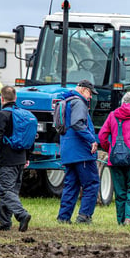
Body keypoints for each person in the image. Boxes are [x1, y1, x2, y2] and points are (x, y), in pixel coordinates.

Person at [0, 85, 32, 232]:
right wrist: (27, 157)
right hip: (21, 159)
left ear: (2, 99)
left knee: (4, 190)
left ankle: (21, 214)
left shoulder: (3, 114)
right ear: (15, 98)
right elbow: (30, 138)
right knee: (11, 191)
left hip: (7, 160)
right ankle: (5, 223)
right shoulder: (24, 113)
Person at [98, 92, 130, 226]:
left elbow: (102, 136)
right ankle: (129, 218)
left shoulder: (112, 115)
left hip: (115, 160)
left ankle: (120, 220)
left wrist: (110, 149)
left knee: (120, 191)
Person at [56, 80, 100, 224]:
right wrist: (92, 140)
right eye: (89, 93)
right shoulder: (79, 103)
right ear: (82, 90)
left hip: (67, 151)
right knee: (91, 183)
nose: (90, 97)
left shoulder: (66, 101)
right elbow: (77, 123)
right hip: (82, 152)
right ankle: (84, 216)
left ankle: (63, 218)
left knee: (71, 185)